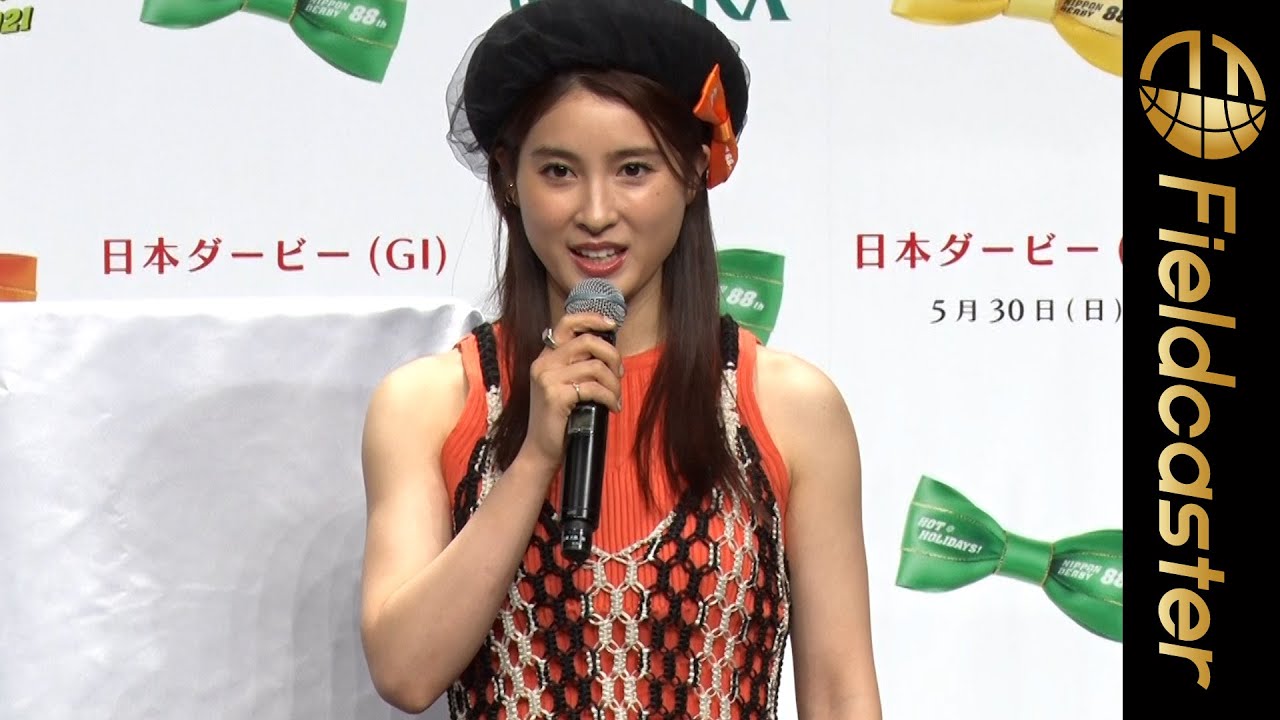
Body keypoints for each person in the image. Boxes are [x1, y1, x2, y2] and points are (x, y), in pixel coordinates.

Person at [358, 0, 881, 717]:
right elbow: (405, 672)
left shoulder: (790, 406)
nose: (597, 212)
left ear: (693, 171)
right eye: (559, 171)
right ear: (507, 178)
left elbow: (843, 691)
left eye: (634, 169)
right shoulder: (428, 404)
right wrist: (535, 457)